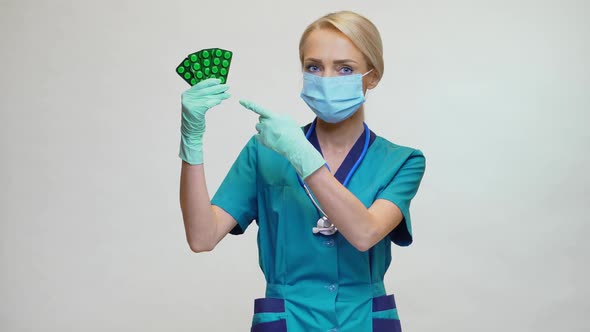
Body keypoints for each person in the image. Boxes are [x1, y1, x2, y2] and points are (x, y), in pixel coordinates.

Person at [178, 10, 426, 332]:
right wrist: (192, 140)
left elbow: (365, 233)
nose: (326, 79)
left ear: (373, 76)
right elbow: (202, 237)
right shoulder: (264, 152)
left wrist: (301, 155)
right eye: (314, 67)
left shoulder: (402, 161)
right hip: (287, 320)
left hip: (364, 320)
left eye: (345, 68)